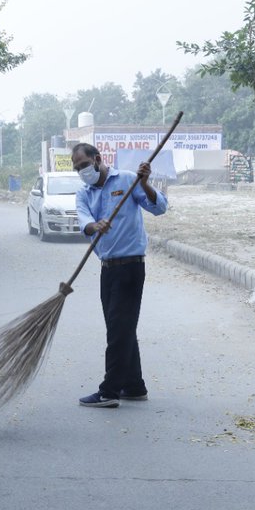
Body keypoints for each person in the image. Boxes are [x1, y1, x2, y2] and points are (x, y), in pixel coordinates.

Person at [72, 143, 167, 407]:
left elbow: (159, 208)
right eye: (77, 168)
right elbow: (84, 223)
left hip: (131, 267)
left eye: (84, 165)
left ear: (97, 159)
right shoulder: (84, 193)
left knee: (118, 330)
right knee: (122, 328)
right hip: (107, 268)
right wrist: (95, 225)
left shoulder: (126, 180)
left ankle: (109, 391)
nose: (81, 171)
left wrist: (145, 183)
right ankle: (134, 386)